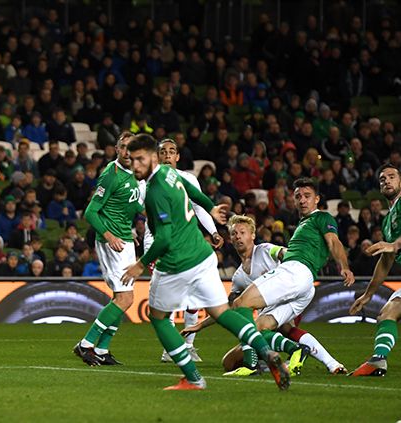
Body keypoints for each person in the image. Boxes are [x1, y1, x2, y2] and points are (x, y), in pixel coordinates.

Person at [119, 134, 290, 391]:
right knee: (221, 312)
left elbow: (164, 238)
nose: (136, 166)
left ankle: (192, 377)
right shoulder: (170, 174)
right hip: (203, 256)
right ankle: (266, 352)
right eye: (132, 160)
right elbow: (192, 192)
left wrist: (140, 264)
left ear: (153, 157)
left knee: (158, 317)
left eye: (141, 159)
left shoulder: (155, 191)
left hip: (177, 263)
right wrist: (210, 208)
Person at [183, 215, 346, 375]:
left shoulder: (266, 250)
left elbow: (285, 253)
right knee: (229, 361)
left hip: (294, 288)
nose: (238, 236)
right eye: (234, 234)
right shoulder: (239, 277)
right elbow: (229, 308)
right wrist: (200, 325)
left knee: (268, 328)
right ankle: (328, 363)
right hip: (271, 311)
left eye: (242, 232)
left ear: (253, 235)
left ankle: (257, 362)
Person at [229, 178, 354, 375]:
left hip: (294, 271)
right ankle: (329, 362)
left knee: (240, 304)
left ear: (317, 199)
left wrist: (344, 266)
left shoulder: (321, 217)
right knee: (259, 326)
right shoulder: (304, 225)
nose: (302, 200)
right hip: (306, 286)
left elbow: (334, 242)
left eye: (307, 196)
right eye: (298, 197)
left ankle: (250, 365)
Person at [73, 132, 143, 366]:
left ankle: (102, 349)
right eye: (122, 147)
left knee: (120, 297)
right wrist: (109, 235)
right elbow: (91, 212)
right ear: (116, 149)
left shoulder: (137, 174)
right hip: (112, 242)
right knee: (125, 298)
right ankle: (86, 344)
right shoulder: (110, 175)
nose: (126, 152)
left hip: (125, 239)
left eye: (130, 148)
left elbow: (133, 207)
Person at [156, 138, 223, 363]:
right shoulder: (149, 181)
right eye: (163, 152)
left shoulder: (188, 179)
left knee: (193, 296)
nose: (167, 155)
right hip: (163, 245)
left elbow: (198, 207)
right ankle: (171, 348)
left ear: (177, 157)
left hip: (188, 244)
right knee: (170, 299)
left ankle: (189, 345)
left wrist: (213, 231)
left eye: (171, 151)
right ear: (158, 157)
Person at [349, 164, 401, 376]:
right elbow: (386, 261)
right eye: (382, 179)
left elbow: (392, 249)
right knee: (387, 313)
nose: (386, 181)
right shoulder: (388, 220)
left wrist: (394, 245)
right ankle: (378, 360)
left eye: (391, 176)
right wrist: (368, 294)